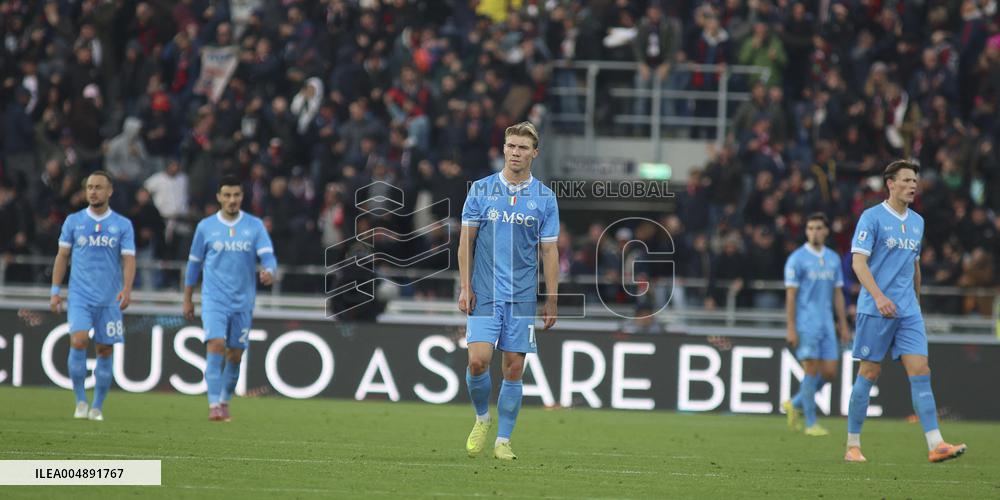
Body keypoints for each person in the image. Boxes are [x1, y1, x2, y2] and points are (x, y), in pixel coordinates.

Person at [845, 160, 966, 463]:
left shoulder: (917, 222)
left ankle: (935, 444)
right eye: (907, 180)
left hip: (908, 311)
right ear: (890, 183)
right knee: (869, 372)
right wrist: (878, 297)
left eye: (915, 180)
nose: (913, 185)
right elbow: (858, 263)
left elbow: (913, 265)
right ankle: (853, 445)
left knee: (921, 371)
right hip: (876, 309)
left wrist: (917, 302)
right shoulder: (871, 218)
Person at [459, 122, 560, 460]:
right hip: (484, 292)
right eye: (511, 146)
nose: (516, 153)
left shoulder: (545, 198)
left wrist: (552, 299)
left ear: (534, 153)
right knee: (477, 361)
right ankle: (482, 417)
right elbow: (466, 242)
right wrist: (464, 286)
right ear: (503, 149)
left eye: (522, 148)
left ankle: (503, 440)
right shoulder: (481, 190)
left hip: (522, 296)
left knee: (513, 369)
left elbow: (549, 251)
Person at [183, 176, 277, 422]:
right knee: (215, 344)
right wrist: (187, 298)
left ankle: (224, 400)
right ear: (219, 197)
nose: (232, 200)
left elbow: (268, 256)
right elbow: (193, 265)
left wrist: (270, 270)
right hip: (214, 299)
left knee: (235, 354)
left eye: (236, 195)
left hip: (243, 301)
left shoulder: (254, 225)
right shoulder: (206, 227)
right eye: (227, 195)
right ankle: (214, 405)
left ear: (242, 197)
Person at [50, 171, 136, 421]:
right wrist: (56, 291)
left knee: (105, 351)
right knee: (78, 341)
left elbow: (129, 259)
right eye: (89, 187)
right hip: (80, 296)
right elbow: (62, 257)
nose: (93, 191)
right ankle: (80, 401)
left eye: (98, 187)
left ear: (110, 191)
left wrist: (127, 288)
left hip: (109, 299)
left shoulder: (122, 224)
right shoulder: (73, 221)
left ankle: (97, 406)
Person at [781, 213, 850, 436]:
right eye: (810, 228)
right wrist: (791, 326)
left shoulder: (832, 258)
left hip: (827, 324)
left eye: (818, 228)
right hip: (806, 323)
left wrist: (843, 324)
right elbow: (791, 296)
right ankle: (811, 423)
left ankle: (795, 403)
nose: (814, 232)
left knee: (829, 372)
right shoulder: (797, 259)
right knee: (810, 369)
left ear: (826, 231)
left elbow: (837, 293)